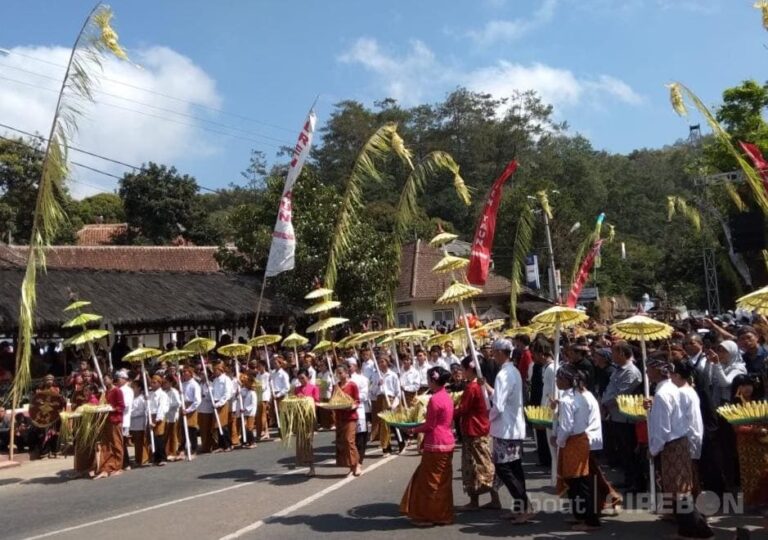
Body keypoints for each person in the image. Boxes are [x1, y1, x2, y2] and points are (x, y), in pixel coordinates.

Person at [645, 358, 713, 539]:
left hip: (672, 445)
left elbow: (663, 428)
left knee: (679, 491)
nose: (646, 373)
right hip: (679, 443)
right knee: (677, 490)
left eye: (649, 369)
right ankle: (686, 530)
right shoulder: (674, 389)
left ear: (659, 371)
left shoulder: (663, 394)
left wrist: (653, 449)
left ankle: (700, 530)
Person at [401, 366, 455, 526]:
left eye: (428, 379)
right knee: (443, 481)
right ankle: (443, 515)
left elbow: (430, 425)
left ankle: (426, 516)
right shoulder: (447, 397)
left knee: (428, 482)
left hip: (435, 443)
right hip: (448, 441)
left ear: (433, 380)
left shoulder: (435, 399)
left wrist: (412, 429)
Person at [487, 338, 532, 523]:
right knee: (514, 467)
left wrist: (488, 417)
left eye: (494, 352)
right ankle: (520, 506)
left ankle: (524, 505)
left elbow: (498, 405)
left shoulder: (504, 374)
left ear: (500, 353)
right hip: (512, 426)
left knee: (505, 468)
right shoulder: (512, 371)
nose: (492, 355)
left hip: (505, 428)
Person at [552, 364, 601, 531]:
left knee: (578, 482)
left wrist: (559, 440)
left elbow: (566, 426)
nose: (556, 381)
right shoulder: (580, 396)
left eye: (559, 378)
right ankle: (581, 515)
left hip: (574, 441)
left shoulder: (568, 400)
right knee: (577, 482)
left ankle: (590, 520)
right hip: (581, 440)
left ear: (566, 380)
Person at [455, 355, 499, 511]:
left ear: (470, 369)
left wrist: (449, 412)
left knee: (476, 465)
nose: (462, 372)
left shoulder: (472, 387)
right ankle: (490, 499)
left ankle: (480, 500)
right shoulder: (477, 386)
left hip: (474, 429)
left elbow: (463, 409)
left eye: (463, 369)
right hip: (481, 427)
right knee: (481, 464)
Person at [601, 340, 643, 491]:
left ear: (622, 354)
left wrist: (605, 404)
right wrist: (604, 403)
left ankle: (637, 483)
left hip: (626, 417)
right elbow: (609, 389)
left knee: (630, 450)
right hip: (614, 416)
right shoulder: (618, 370)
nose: (611, 355)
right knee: (623, 451)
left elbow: (621, 394)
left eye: (614, 352)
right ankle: (628, 479)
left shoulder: (631, 372)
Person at [730, 374, 768, 510]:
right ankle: (752, 502)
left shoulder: (758, 402)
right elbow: (737, 428)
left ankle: (763, 501)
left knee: (764, 471)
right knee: (750, 474)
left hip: (762, 444)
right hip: (746, 445)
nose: (747, 388)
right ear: (737, 388)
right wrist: (755, 431)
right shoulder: (734, 406)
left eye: (748, 385)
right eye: (742, 385)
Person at [671, 362, 704, 495]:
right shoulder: (689, 390)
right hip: (693, 434)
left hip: (687, 436)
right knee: (692, 473)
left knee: (689, 475)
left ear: (677, 376)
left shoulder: (681, 393)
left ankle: (695, 508)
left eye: (672, 375)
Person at [531, 337, 556, 468]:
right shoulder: (545, 368)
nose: (533, 357)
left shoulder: (551, 369)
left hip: (550, 411)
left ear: (541, 353)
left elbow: (552, 392)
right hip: (545, 409)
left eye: (535, 353)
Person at [95, 373, 125, 479]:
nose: (104, 381)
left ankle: (118, 467)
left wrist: (112, 408)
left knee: (117, 443)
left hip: (115, 420)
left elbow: (121, 406)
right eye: (103, 380)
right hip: (106, 420)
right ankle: (108, 466)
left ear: (112, 380)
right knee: (106, 444)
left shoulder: (117, 390)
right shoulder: (106, 392)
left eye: (106, 379)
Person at [333, 364, 361, 476]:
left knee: (349, 440)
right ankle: (350, 465)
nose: (339, 375)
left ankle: (356, 464)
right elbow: (333, 400)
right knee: (342, 442)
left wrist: (352, 406)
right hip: (340, 416)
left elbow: (357, 400)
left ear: (346, 372)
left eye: (341, 373)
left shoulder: (352, 385)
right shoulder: (336, 387)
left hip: (350, 417)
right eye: (337, 373)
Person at [294, 368, 319, 476]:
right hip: (300, 417)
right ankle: (305, 463)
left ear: (308, 377)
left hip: (309, 417)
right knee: (301, 442)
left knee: (308, 442)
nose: (301, 380)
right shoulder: (297, 389)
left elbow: (316, 401)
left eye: (303, 378)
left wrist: (306, 399)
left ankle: (312, 467)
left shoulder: (314, 388)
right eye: (299, 378)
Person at [709, 340, 747, 406]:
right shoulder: (721, 366)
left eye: (724, 351)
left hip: (733, 404)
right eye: (719, 351)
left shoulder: (738, 368)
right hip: (719, 402)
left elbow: (725, 383)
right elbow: (708, 380)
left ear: (732, 352)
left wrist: (717, 365)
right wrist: (708, 363)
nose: (720, 354)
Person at [348, 358, 370, 464]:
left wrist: (352, 398)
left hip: (359, 409)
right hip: (346, 410)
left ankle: (359, 459)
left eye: (350, 366)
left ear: (355, 366)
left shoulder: (362, 379)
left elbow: (364, 395)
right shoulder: (343, 381)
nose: (348, 368)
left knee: (360, 436)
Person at [211, 362, 234, 452]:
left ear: (221, 370)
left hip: (222, 403)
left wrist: (220, 403)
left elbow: (227, 393)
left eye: (216, 370)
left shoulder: (226, 379)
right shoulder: (215, 380)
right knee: (217, 425)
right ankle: (221, 445)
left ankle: (228, 444)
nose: (214, 372)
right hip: (215, 403)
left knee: (223, 424)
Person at [148, 375, 170, 466]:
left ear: (159, 383)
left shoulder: (162, 394)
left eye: (154, 383)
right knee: (153, 438)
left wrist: (156, 420)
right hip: (151, 416)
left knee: (159, 437)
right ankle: (156, 457)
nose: (152, 384)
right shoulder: (150, 394)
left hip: (158, 417)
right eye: (152, 382)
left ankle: (162, 457)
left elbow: (162, 408)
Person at [180, 366, 201, 456]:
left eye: (186, 372)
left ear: (191, 373)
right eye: (183, 372)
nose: (184, 374)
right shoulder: (183, 384)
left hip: (191, 407)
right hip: (183, 406)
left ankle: (194, 448)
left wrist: (188, 410)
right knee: (183, 429)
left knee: (192, 429)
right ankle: (183, 448)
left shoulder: (194, 384)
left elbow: (197, 400)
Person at [115, 369, 134, 470]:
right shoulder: (119, 389)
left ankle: (126, 463)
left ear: (124, 379)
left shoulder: (127, 390)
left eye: (119, 379)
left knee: (122, 442)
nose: (117, 381)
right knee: (119, 441)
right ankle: (122, 462)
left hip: (124, 418)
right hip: (119, 417)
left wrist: (114, 408)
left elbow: (126, 405)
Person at [129, 379, 149, 467]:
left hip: (139, 423)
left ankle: (142, 459)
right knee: (136, 443)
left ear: (139, 388)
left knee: (140, 442)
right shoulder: (132, 398)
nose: (132, 388)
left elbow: (141, 411)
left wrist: (130, 414)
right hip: (133, 424)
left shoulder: (141, 399)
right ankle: (138, 458)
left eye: (134, 387)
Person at [163, 374, 182, 461]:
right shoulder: (164, 392)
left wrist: (168, 406)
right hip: (166, 416)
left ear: (170, 383)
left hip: (173, 416)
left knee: (173, 434)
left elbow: (178, 403)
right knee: (167, 435)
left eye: (166, 382)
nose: (164, 384)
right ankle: (167, 452)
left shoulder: (174, 391)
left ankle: (173, 451)